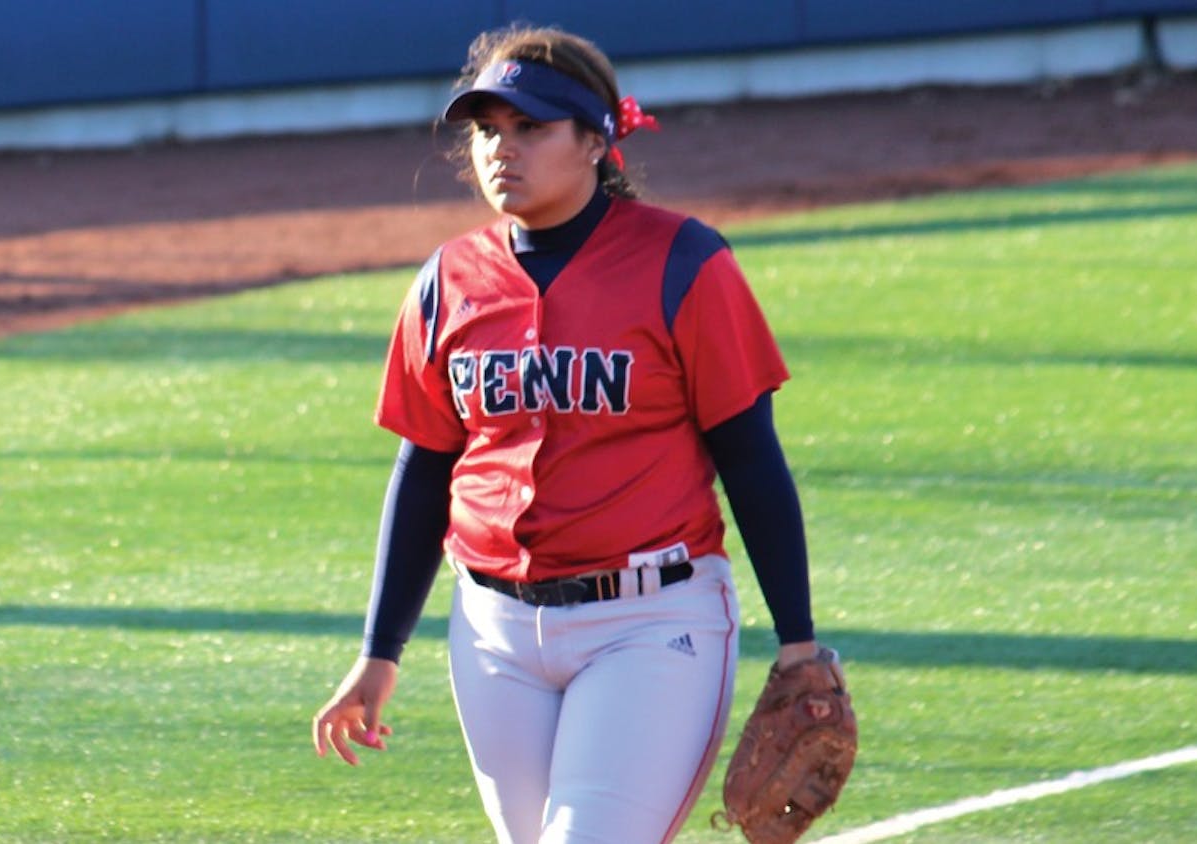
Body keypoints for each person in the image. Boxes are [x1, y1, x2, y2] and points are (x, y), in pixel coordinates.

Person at [313, 24, 832, 843]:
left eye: (531, 127)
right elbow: (425, 469)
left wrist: (798, 640)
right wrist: (380, 651)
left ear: (597, 141)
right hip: (492, 636)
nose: (501, 150)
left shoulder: (683, 263)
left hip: (651, 626)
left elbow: (750, 456)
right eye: (487, 130)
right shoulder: (446, 283)